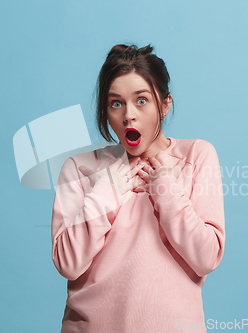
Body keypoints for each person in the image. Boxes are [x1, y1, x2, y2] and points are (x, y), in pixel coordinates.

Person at [51, 43, 226, 333]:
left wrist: (167, 190)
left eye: (141, 100)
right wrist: (105, 191)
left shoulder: (196, 156)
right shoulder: (79, 167)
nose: (128, 115)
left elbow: (206, 258)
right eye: (116, 103)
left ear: (165, 103)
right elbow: (68, 264)